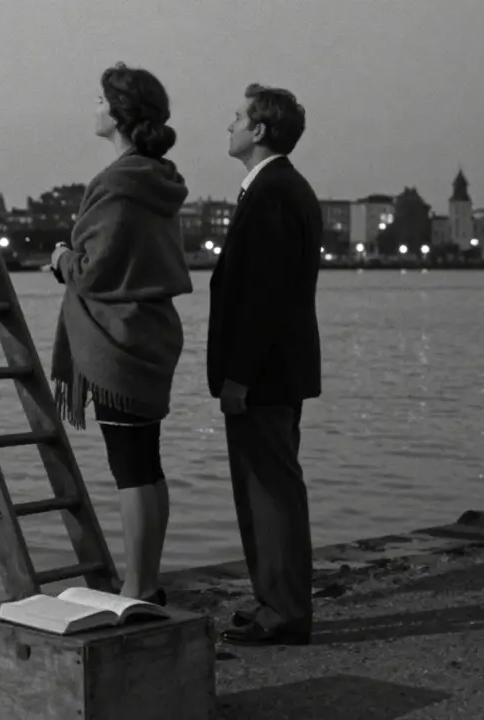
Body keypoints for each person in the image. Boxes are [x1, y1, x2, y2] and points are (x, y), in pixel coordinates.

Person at [48, 62, 193, 605]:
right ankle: (147, 582)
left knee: (130, 469)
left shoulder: (117, 182)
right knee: (145, 464)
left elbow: (96, 269)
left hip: (116, 341)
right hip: (151, 334)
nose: (93, 107)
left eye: (99, 100)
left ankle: (136, 586)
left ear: (117, 113)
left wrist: (62, 258)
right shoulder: (160, 180)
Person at [207, 83, 323, 646]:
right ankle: (272, 599)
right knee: (263, 487)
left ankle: (283, 610)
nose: (227, 125)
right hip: (276, 371)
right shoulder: (280, 188)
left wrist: (239, 376)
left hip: (264, 376)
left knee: (270, 489)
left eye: (236, 118)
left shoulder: (273, 193)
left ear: (259, 131)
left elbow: (263, 296)